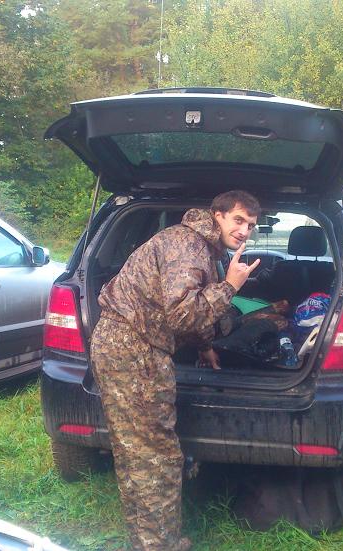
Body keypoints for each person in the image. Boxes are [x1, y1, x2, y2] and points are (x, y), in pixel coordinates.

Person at [90, 190, 261, 550]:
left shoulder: (200, 246)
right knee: (155, 456)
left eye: (251, 225)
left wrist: (204, 345)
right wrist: (230, 285)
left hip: (128, 344)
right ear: (217, 215)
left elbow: (186, 307)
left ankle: (146, 541)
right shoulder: (188, 245)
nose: (245, 230)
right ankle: (160, 544)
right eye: (238, 220)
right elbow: (182, 314)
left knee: (137, 451)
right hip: (132, 349)